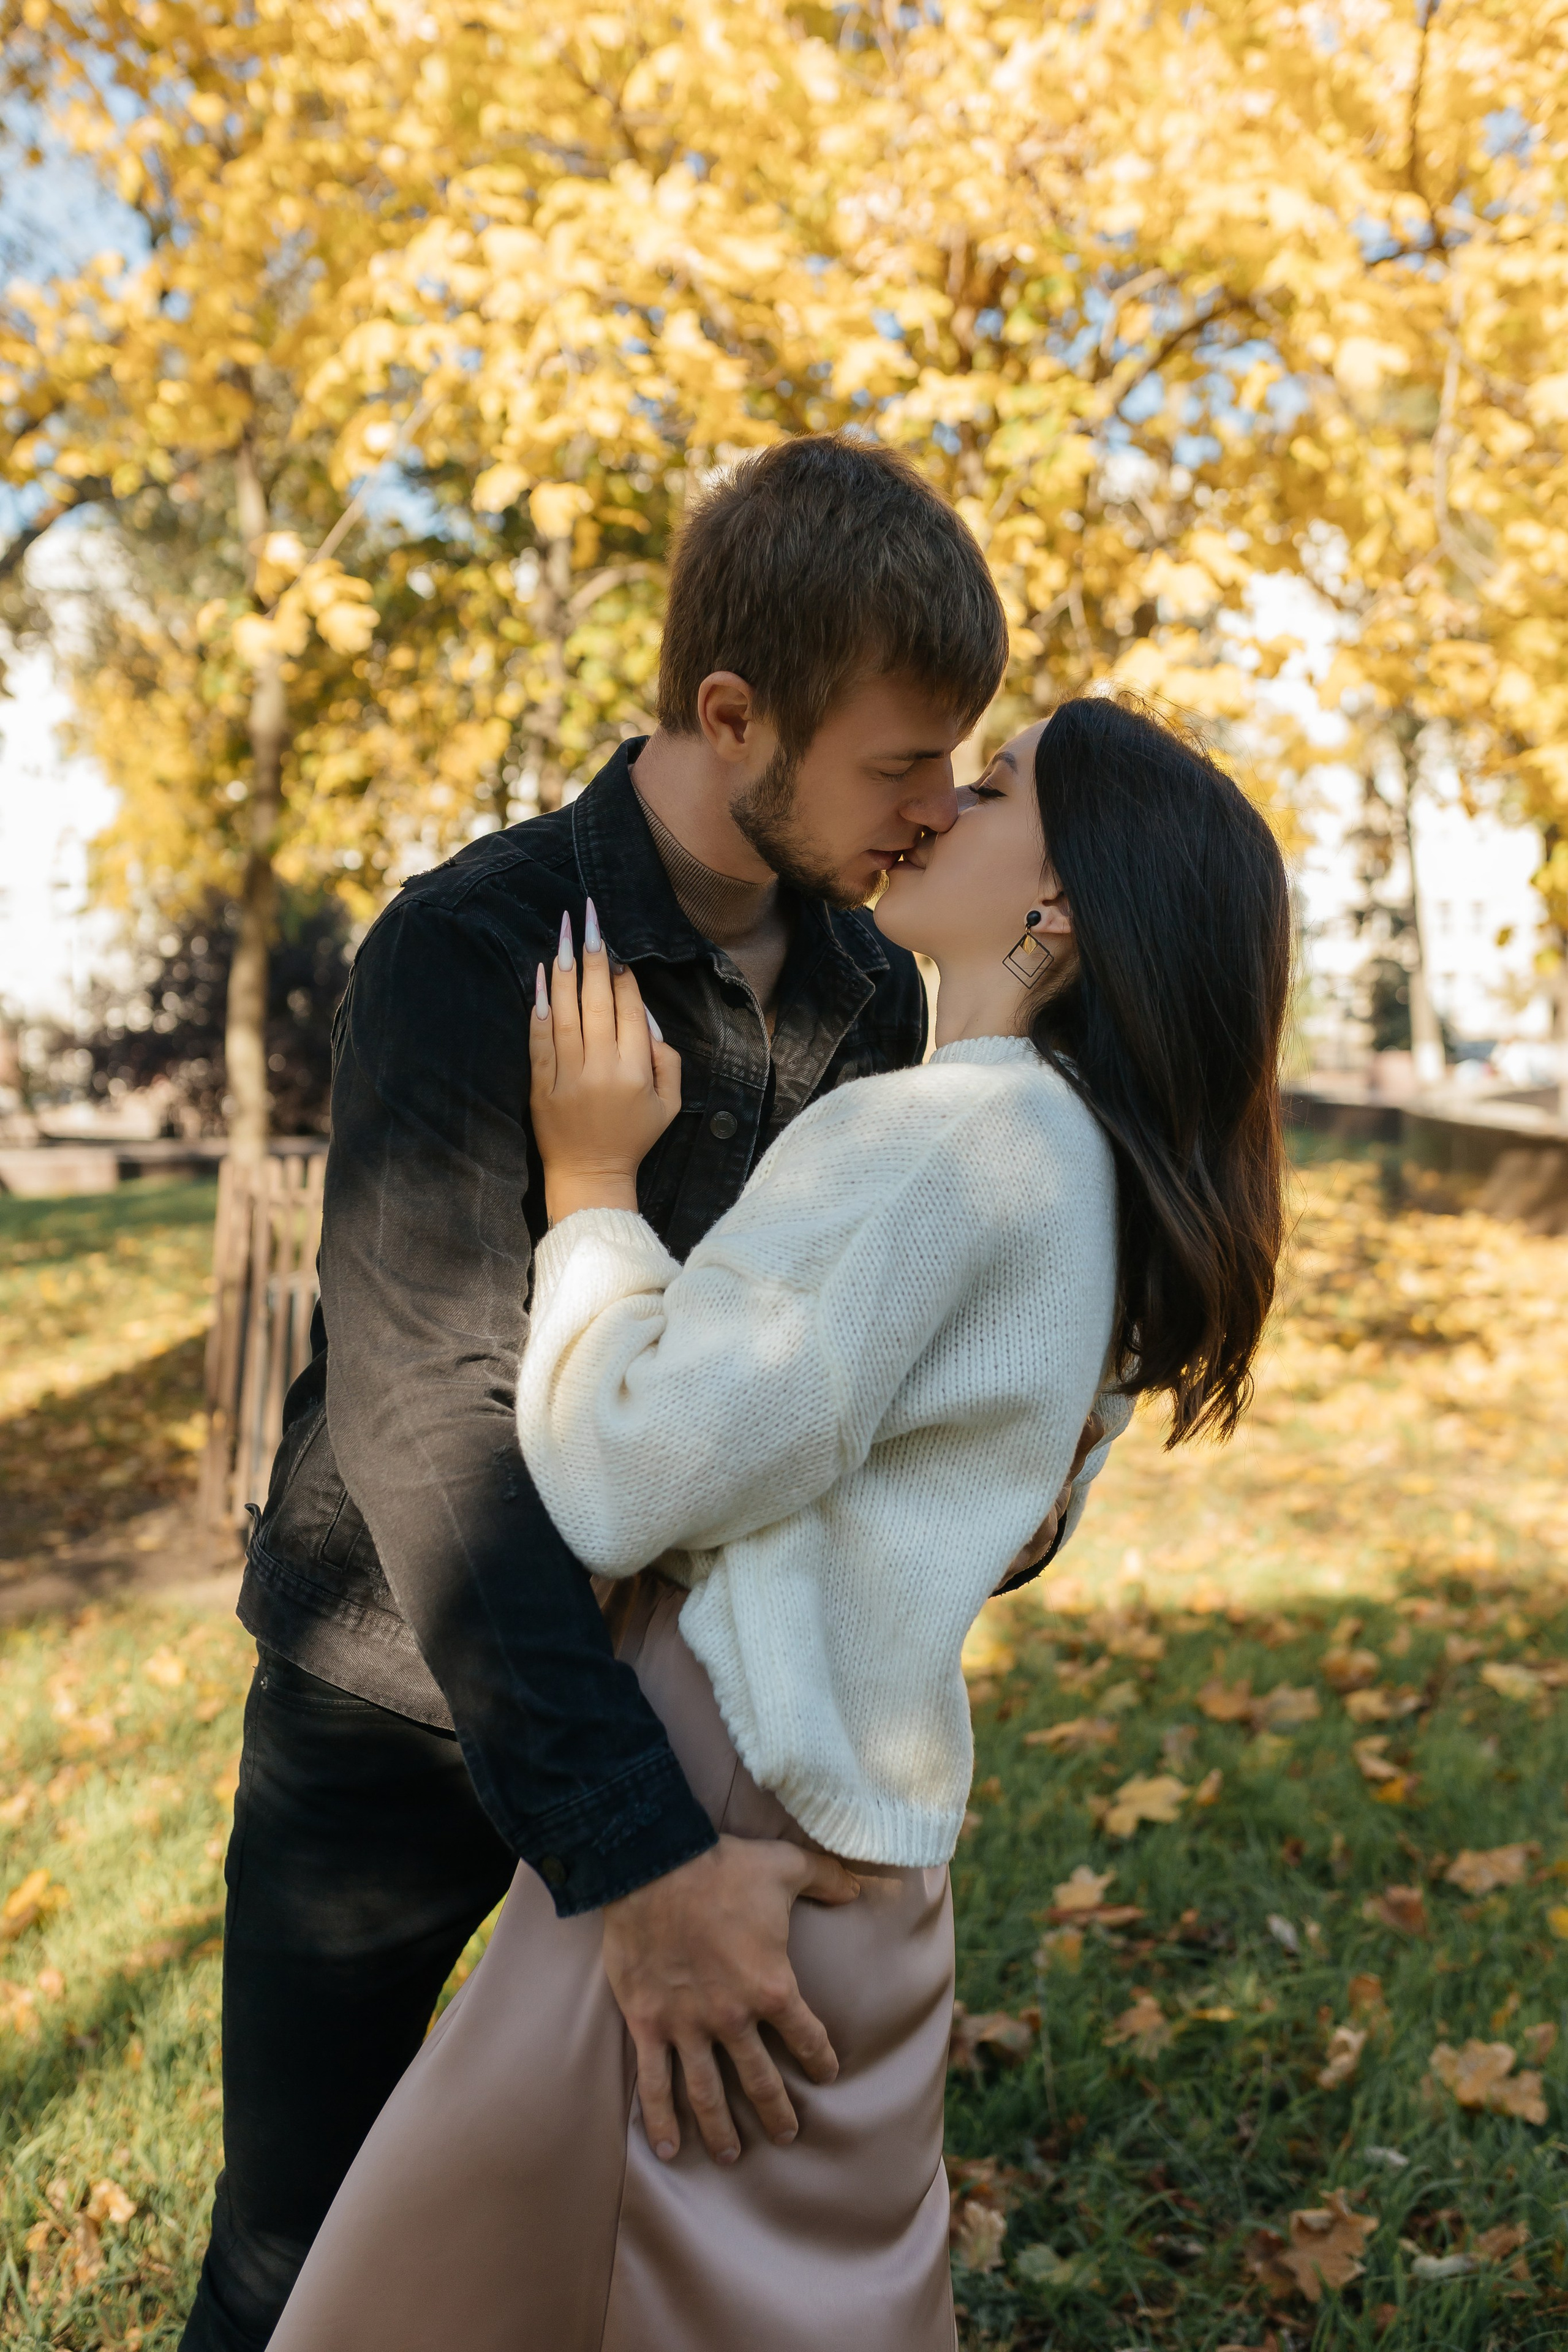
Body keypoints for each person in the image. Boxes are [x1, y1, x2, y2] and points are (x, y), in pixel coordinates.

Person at [268, 692, 1292, 2352]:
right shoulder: (1101, 1169)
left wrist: (595, 1187)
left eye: (1000, 786)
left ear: (1064, 908)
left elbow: (624, 1470)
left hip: (720, 1750)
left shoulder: (945, 1133)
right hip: (871, 1816)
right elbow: (1008, 1511)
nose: (945, 803)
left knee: (427, 2292)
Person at [183, 432, 1058, 2350]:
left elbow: (818, 1381)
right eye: (901, 763)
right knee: (300, 2251)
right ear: (734, 714)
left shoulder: (862, 972)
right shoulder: (471, 946)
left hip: (693, 1702)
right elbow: (430, 1422)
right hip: (401, 1703)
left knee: (571, 2257)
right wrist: (635, 1861)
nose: (931, 809)